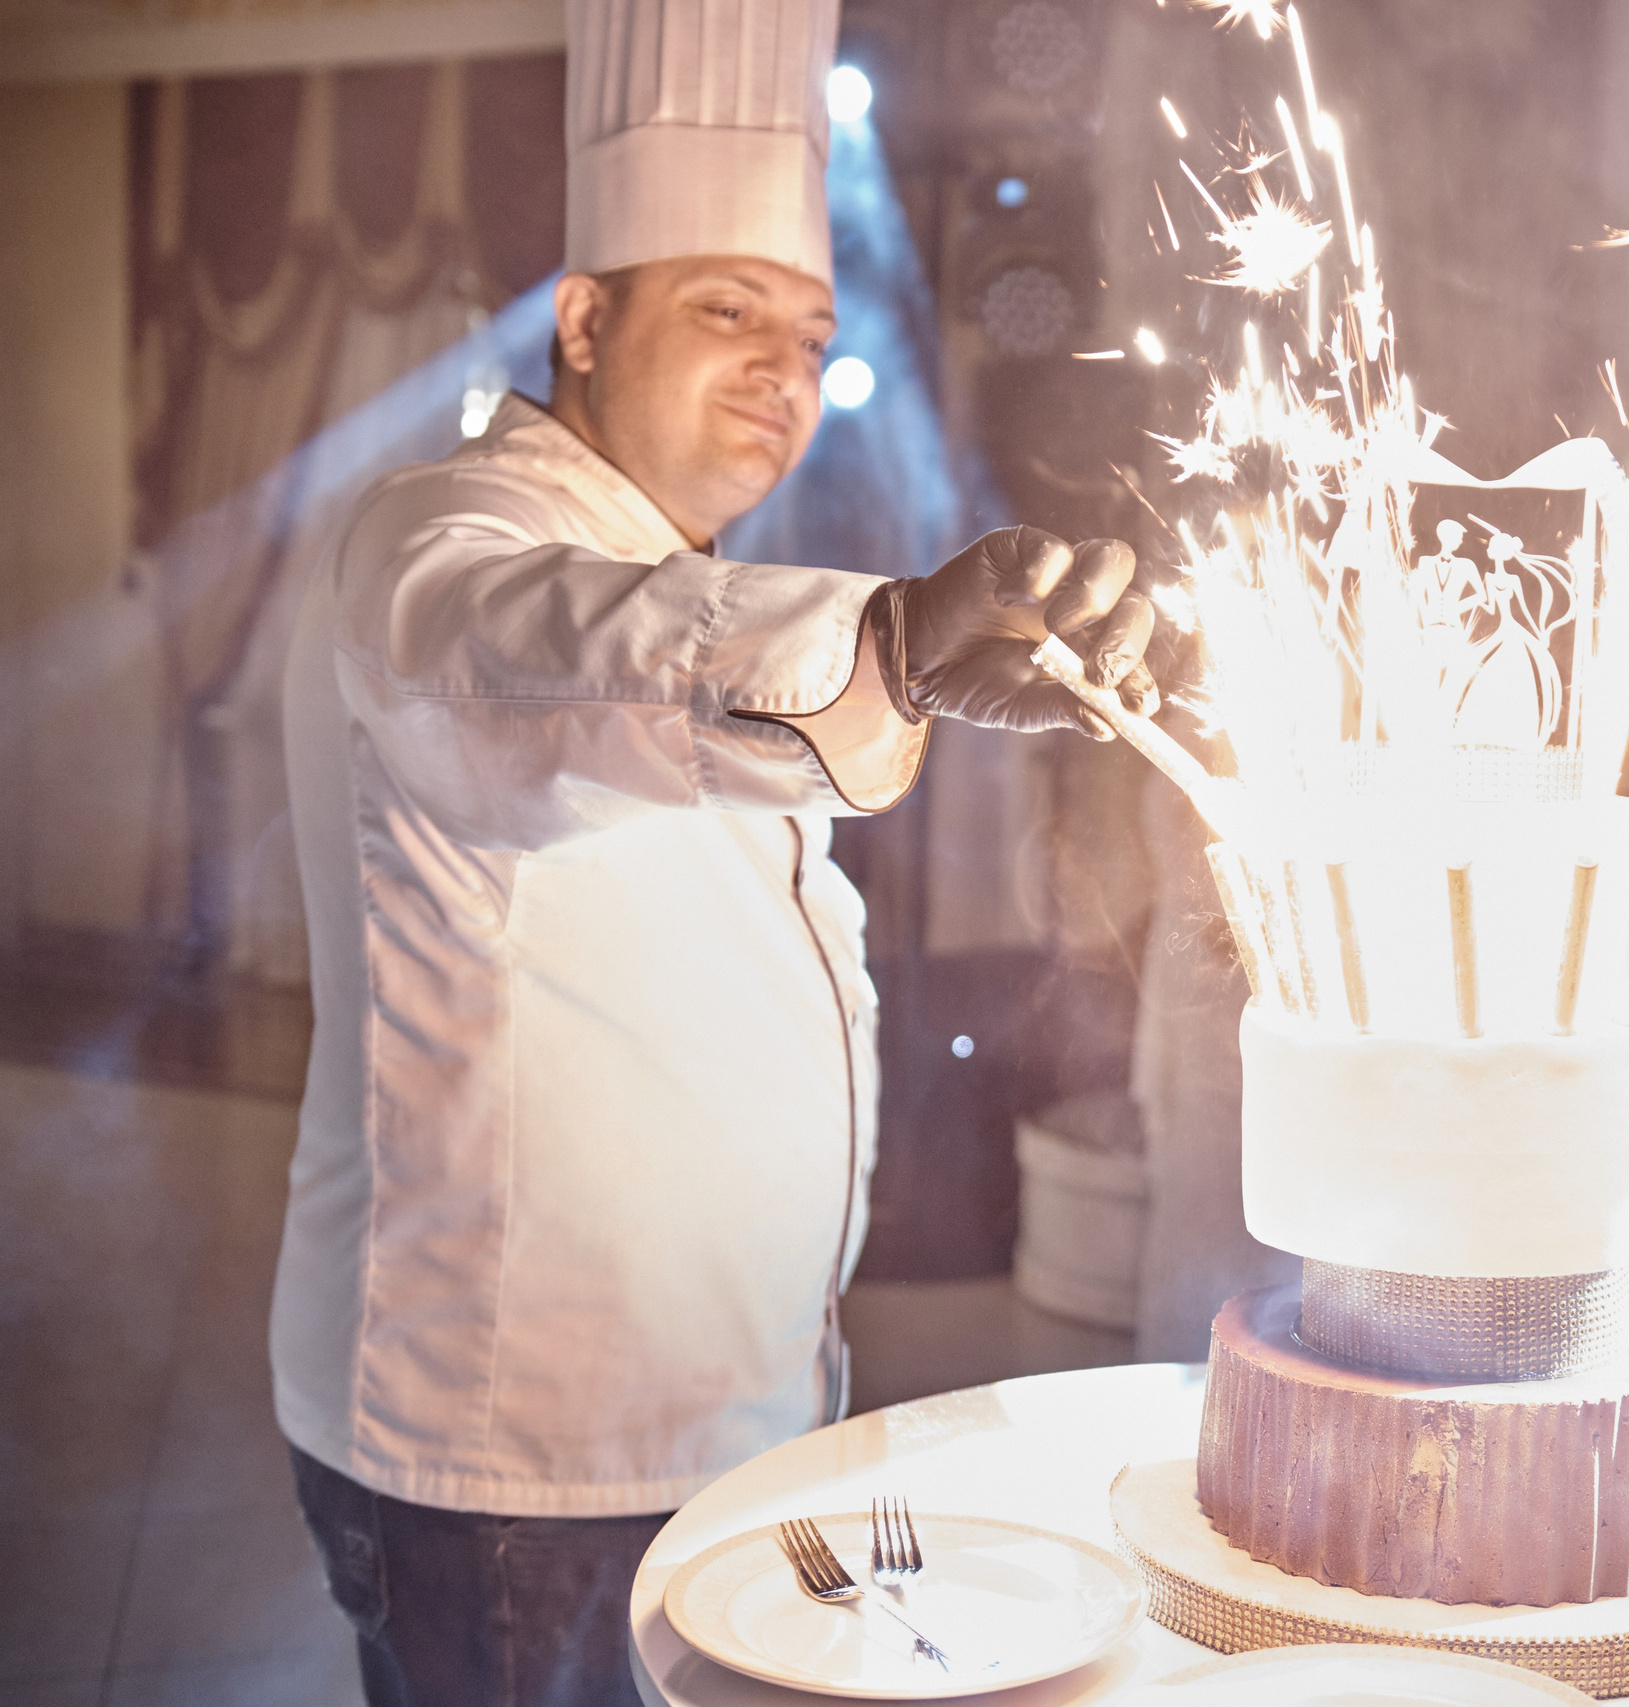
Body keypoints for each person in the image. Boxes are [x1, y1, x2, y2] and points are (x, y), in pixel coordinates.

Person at [270, 1, 1154, 1700]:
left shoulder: (682, 562)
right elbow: (553, 649)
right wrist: (893, 644)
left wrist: (926, 673)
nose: (782, 366)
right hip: (519, 1463)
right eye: (727, 308)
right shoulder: (445, 540)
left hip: (731, 1416)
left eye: (810, 327)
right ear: (585, 321)